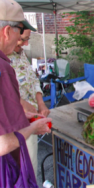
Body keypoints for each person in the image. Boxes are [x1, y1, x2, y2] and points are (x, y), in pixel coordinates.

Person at [0, 0, 52, 186]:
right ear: (7, 31)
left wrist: (36, 105)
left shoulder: (16, 57)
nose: (22, 42)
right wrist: (33, 126)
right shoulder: (3, 67)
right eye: (20, 32)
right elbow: (5, 144)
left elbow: (31, 80)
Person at [8, 22, 50, 178]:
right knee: (15, 173)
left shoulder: (20, 53)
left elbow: (32, 80)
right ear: (8, 34)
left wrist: (40, 103)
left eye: (28, 40)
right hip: (12, 126)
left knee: (30, 167)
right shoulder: (4, 58)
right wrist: (20, 103)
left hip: (29, 120)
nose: (25, 44)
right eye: (22, 39)